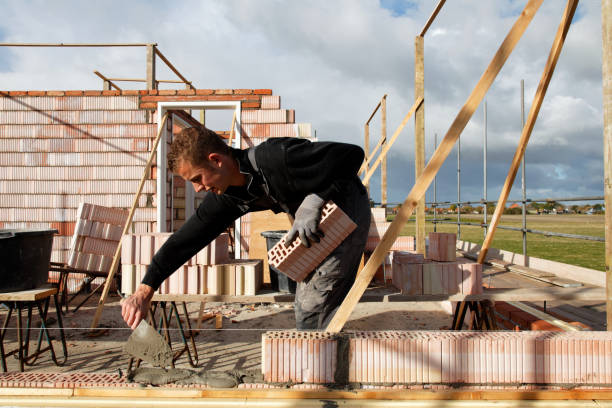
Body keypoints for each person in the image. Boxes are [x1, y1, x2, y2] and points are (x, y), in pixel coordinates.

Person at [121, 126, 370, 330]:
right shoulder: (227, 197)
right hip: (319, 224)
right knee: (305, 305)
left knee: (315, 304)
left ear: (216, 160)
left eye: (197, 179)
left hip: (347, 208)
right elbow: (185, 240)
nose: (197, 189)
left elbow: (352, 155)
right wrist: (144, 290)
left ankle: (324, 376)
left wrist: (316, 198)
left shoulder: (276, 158)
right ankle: (321, 361)